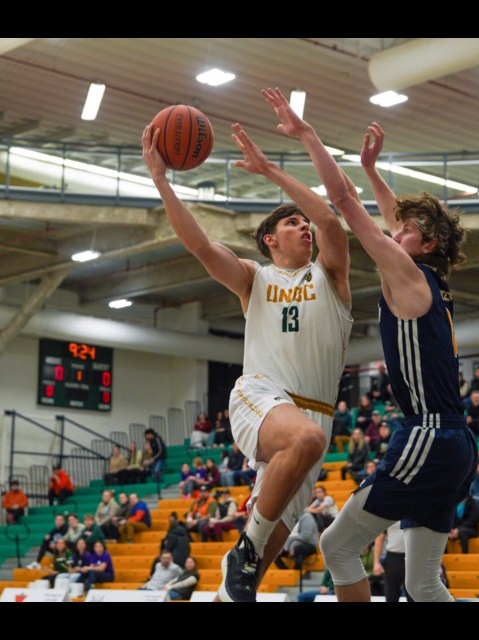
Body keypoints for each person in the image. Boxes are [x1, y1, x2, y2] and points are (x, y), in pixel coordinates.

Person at [144, 100, 355, 604]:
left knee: (243, 588)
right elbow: (199, 246)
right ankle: (247, 546)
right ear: (268, 239)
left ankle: (244, 558)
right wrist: (161, 180)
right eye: (292, 224)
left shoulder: (331, 276)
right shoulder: (253, 278)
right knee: (301, 444)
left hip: (314, 421)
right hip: (262, 397)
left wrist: (270, 170)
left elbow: (330, 219)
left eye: (305, 224)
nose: (305, 227)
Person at [290, 103, 476, 602]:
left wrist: (309, 135)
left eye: (404, 232)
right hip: (453, 444)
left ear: (426, 244)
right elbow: (396, 217)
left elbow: (343, 200)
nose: (393, 233)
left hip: (427, 435)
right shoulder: (428, 278)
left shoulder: (408, 274)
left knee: (336, 546)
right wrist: (372, 168)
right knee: (421, 582)